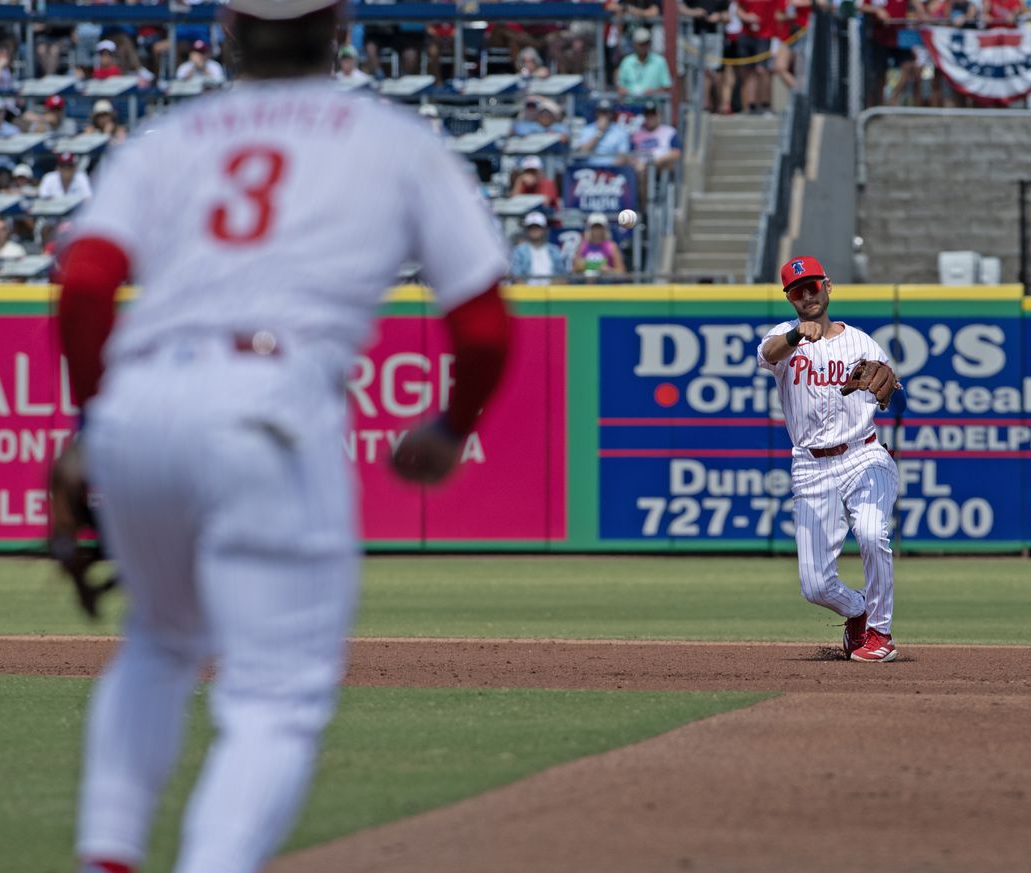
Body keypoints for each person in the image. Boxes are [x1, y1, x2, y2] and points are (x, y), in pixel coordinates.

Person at [55, 3, 513, 873]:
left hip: (141, 395)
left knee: (156, 641)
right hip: (267, 400)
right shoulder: (392, 140)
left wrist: (92, 425)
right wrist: (453, 427)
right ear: (336, 26)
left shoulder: (168, 135)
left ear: (227, 29)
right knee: (273, 700)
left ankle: (105, 857)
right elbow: (486, 329)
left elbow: (85, 285)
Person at [756, 256, 901, 662]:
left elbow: (887, 384)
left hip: (863, 454)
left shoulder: (861, 342)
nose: (807, 295)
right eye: (797, 290)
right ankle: (858, 611)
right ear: (789, 298)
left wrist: (886, 385)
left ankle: (881, 633)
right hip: (810, 465)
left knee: (873, 534)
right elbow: (767, 354)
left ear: (828, 287)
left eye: (813, 286)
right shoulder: (783, 338)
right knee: (814, 585)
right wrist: (794, 338)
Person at [509, 211, 566, 283]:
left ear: (544, 229)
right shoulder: (518, 251)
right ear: (526, 230)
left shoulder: (554, 250)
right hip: (526, 292)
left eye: (537, 227)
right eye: (531, 227)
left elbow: (562, 276)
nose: (534, 230)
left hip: (551, 292)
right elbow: (516, 277)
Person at [572, 99, 632, 166]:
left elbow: (622, 156)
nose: (604, 115)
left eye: (606, 112)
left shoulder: (620, 132)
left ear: (611, 114)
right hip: (589, 168)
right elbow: (582, 152)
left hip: (612, 170)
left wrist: (608, 170)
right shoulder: (586, 130)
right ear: (596, 113)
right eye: (601, 112)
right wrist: (599, 132)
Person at [615, 28, 673, 97]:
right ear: (634, 44)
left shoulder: (660, 61)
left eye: (646, 43)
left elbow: (667, 87)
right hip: (630, 105)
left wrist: (655, 92)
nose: (643, 46)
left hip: (653, 105)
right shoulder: (626, 62)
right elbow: (620, 85)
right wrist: (622, 90)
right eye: (640, 43)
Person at [630, 101, 682, 174]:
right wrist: (636, 163)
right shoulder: (636, 133)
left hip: (660, 166)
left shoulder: (669, 131)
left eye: (653, 114)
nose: (651, 118)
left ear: (658, 115)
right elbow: (630, 154)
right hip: (640, 168)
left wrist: (655, 161)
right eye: (648, 115)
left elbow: (676, 152)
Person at [572, 212, 625, 277]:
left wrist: (609, 270)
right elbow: (573, 269)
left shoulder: (612, 247)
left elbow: (621, 271)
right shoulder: (582, 246)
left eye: (599, 227)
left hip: (606, 284)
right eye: (594, 227)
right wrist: (580, 267)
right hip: (586, 284)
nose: (597, 230)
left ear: (604, 228)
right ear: (590, 228)